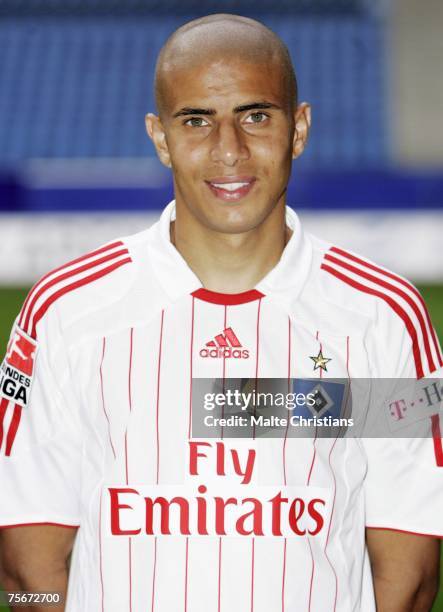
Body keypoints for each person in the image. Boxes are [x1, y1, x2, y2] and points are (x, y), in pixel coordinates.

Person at [0, 13, 442, 612]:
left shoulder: (390, 316)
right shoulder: (62, 311)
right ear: (160, 137)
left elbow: (411, 575)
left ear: (300, 128)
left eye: (255, 116)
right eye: (196, 121)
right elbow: (27, 573)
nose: (228, 151)